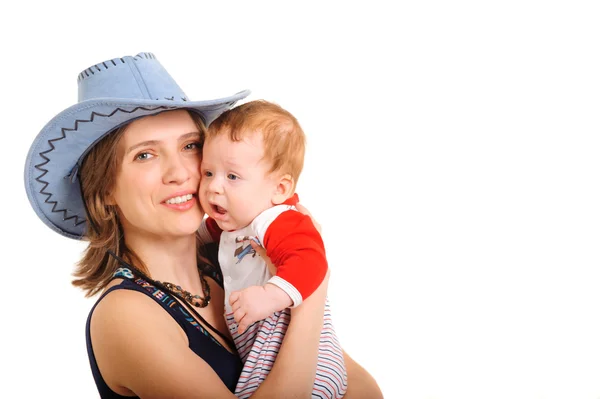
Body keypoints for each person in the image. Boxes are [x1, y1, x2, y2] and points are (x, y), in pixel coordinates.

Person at [24, 52, 383, 398]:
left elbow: (362, 389)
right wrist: (311, 286)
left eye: (191, 145)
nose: (179, 172)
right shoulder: (127, 315)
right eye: (145, 154)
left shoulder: (232, 260)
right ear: (104, 190)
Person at [198, 99, 347, 398]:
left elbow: (311, 262)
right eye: (208, 173)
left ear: (279, 189)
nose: (214, 187)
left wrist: (271, 295)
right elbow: (202, 235)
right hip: (260, 344)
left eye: (232, 176)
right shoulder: (236, 221)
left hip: (303, 356)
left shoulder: (277, 220)